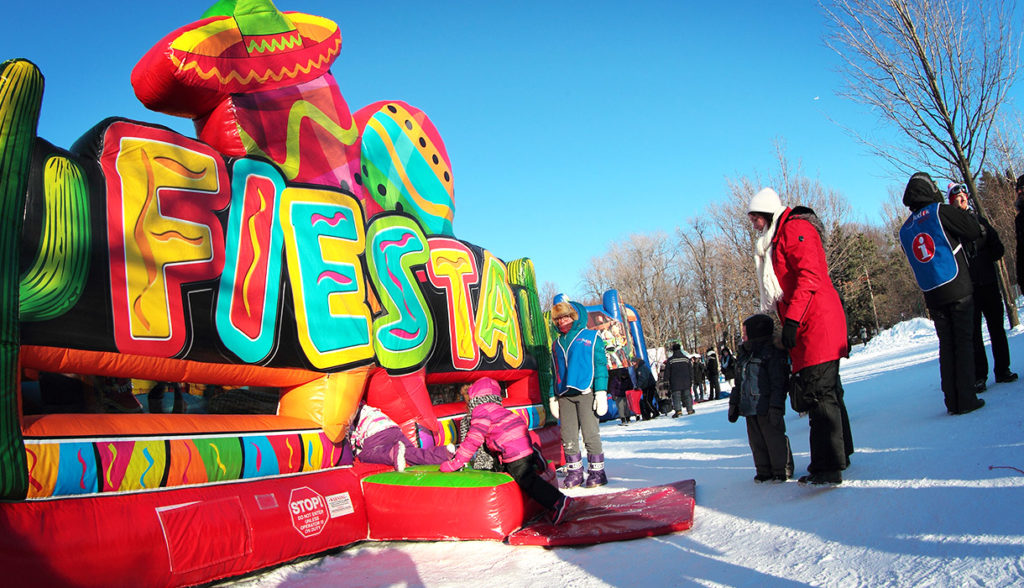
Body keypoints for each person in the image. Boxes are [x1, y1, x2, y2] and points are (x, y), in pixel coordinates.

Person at [748, 186, 853, 485]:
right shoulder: (778, 237)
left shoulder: (794, 229)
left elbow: (810, 276)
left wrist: (792, 321)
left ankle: (828, 467)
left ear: (768, 213)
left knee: (819, 394)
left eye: (756, 218)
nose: (754, 225)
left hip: (816, 322)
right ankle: (840, 455)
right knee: (827, 390)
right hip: (808, 322)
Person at [898, 173, 985, 416]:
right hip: (958, 286)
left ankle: (952, 400)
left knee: (946, 347)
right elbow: (972, 230)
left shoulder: (906, 228)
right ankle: (967, 397)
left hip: (932, 292)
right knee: (964, 343)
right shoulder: (940, 211)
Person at [440, 378, 572, 524]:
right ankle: (533, 455)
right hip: (522, 442)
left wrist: (457, 461)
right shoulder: (498, 409)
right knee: (507, 466)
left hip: (513, 450)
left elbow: (474, 439)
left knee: (526, 479)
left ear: (474, 397)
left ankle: (557, 501)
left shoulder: (480, 410)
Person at [947, 183, 1018, 390]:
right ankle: (980, 376)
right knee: (974, 334)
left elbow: (999, 249)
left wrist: (986, 250)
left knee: (997, 328)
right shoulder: (951, 228)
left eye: (964, 196)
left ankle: (1003, 370)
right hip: (967, 288)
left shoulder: (981, 222)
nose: (962, 199)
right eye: (957, 197)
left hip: (988, 283)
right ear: (951, 201)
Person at [549, 293, 609, 488]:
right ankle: (575, 471)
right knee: (568, 436)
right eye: (558, 319)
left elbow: (600, 364)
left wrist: (600, 392)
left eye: (565, 317)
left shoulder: (591, 337)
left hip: (585, 392)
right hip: (565, 395)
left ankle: (597, 472)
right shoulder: (556, 343)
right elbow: (554, 371)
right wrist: (552, 396)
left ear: (575, 316)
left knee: (590, 434)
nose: (562, 321)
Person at [729, 314, 794, 482]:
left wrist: (776, 406)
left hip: (767, 404)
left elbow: (779, 382)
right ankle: (764, 469)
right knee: (756, 441)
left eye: (745, 332)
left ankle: (781, 469)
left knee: (774, 438)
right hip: (749, 405)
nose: (743, 336)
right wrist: (734, 403)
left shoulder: (771, 353)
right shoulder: (744, 354)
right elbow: (738, 382)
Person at [350, 402, 453, 471]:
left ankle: (390, 453)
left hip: (374, 431)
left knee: (365, 454)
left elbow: (349, 437)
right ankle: (443, 454)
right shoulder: (361, 405)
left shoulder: (346, 412)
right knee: (411, 454)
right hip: (392, 427)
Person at [664, 343, 694, 417]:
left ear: (673, 350)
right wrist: (692, 379)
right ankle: (690, 409)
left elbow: (667, 372)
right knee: (687, 396)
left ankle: (678, 411)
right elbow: (691, 371)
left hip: (675, 382)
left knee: (676, 397)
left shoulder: (670, 361)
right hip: (686, 381)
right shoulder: (686, 359)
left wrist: (666, 380)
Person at [1014, 175, 1024, 295]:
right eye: (1018, 190)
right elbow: (1020, 250)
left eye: (1022, 188)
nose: (1019, 192)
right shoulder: (1020, 219)